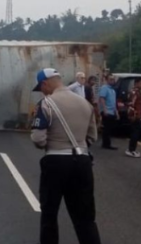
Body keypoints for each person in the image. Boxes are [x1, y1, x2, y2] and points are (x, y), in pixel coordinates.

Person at [30, 68, 101, 244]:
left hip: (56, 162)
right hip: (83, 162)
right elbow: (92, 136)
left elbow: (38, 139)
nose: (42, 91)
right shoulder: (85, 104)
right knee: (85, 217)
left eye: (41, 88)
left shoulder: (46, 103)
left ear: (45, 83)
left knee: (49, 214)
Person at [125, 79, 141, 158]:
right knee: (135, 133)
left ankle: (132, 149)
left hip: (138, 115)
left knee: (136, 133)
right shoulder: (134, 92)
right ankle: (131, 150)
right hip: (135, 115)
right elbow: (131, 104)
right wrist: (134, 115)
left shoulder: (136, 92)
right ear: (136, 83)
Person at [98, 75, 118, 150]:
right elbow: (102, 99)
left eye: (113, 79)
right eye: (110, 79)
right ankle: (106, 144)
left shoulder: (112, 90)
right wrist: (104, 109)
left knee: (110, 128)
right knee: (107, 128)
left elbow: (114, 102)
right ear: (107, 80)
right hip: (107, 111)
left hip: (112, 111)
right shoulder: (105, 88)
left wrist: (116, 111)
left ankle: (107, 143)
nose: (112, 81)